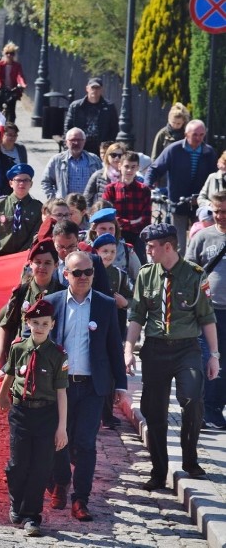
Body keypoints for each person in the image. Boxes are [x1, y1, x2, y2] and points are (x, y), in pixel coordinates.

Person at [125, 223, 219, 491]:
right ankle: (159, 471)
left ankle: (190, 460)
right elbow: (136, 316)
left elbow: (207, 317)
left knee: (192, 399)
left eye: (151, 246)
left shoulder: (194, 275)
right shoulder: (146, 274)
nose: (148, 251)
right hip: (155, 349)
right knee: (154, 412)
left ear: (168, 247)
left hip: (186, 348)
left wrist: (214, 355)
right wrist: (128, 349)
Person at [42, 251, 128, 521]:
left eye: (87, 272)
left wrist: (121, 386)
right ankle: (61, 482)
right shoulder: (51, 303)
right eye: (76, 272)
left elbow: (114, 347)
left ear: (94, 273)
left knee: (86, 443)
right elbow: (37, 341)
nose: (82, 277)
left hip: (92, 386)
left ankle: (81, 499)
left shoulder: (104, 304)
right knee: (59, 440)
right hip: (60, 386)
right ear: (65, 274)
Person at [0, 298, 68, 537]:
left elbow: (61, 392)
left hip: (46, 414)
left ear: (52, 325)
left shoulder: (58, 355)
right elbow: (9, 374)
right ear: (28, 322)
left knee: (40, 466)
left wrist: (62, 427)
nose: (39, 327)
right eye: (35, 322)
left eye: (44, 323)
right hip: (21, 412)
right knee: (18, 464)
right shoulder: (18, 348)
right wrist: (2, 396)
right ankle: (16, 504)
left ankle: (32, 516)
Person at [146, 120, 218, 255]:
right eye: (195, 135)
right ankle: (179, 273)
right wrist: (147, 187)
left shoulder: (209, 152)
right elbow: (155, 169)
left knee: (200, 241)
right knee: (179, 245)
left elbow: (215, 176)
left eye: (202, 135)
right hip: (178, 202)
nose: (198, 138)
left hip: (200, 204)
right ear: (186, 134)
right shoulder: (174, 149)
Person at [186, 191, 226, 430]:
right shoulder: (203, 237)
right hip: (208, 311)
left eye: (225, 212)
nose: (220, 216)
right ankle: (206, 409)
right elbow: (190, 270)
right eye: (216, 211)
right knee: (209, 359)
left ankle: (214, 408)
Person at [0, 240, 64, 369]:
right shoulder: (21, 292)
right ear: (30, 264)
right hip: (23, 357)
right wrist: (0, 355)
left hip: (51, 360)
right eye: (37, 262)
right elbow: (6, 325)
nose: (42, 266)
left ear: (56, 265)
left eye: (48, 263)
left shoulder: (63, 293)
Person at [92, 232, 133, 428]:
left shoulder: (119, 275)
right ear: (96, 252)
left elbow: (133, 299)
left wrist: (125, 303)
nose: (108, 255)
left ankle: (107, 414)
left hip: (114, 327)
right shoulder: (88, 271)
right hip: (94, 326)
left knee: (110, 371)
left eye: (112, 251)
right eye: (104, 251)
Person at [0, 164, 43, 259]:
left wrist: (23, 255)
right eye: (18, 180)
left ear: (31, 184)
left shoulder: (37, 208)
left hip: (25, 258)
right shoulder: (0, 204)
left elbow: (36, 236)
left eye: (26, 180)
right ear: (11, 183)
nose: (22, 184)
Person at [103, 151, 151, 262]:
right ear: (120, 166)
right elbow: (109, 216)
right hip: (116, 235)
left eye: (133, 167)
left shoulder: (144, 190)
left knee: (141, 267)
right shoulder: (110, 189)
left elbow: (146, 219)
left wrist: (123, 223)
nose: (129, 170)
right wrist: (131, 222)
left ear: (138, 168)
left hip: (137, 236)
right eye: (127, 166)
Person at [41, 127, 103, 199]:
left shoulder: (94, 159)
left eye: (79, 140)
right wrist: (54, 201)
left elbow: (102, 182)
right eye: (73, 140)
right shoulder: (57, 160)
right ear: (66, 142)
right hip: (65, 206)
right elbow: (45, 182)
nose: (76, 143)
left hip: (88, 206)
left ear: (84, 141)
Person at [64, 78, 119, 155]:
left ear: (101, 90)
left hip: (100, 147)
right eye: (93, 87)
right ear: (87, 88)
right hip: (80, 144)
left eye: (97, 88)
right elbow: (68, 127)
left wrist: (108, 146)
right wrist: (67, 146)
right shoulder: (76, 106)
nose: (95, 90)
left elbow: (114, 128)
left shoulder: (109, 107)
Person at [0, 43, 27, 123]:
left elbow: (20, 76)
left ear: (14, 55)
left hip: (12, 90)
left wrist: (22, 84)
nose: (9, 55)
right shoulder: (0, 64)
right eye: (7, 53)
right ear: (4, 53)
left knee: (12, 112)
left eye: (12, 53)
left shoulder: (17, 66)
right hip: (1, 89)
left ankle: (10, 127)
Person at [83, 142, 126, 207]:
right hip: (102, 213)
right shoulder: (98, 175)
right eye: (113, 155)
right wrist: (90, 213)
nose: (117, 158)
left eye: (120, 156)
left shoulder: (128, 175)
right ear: (107, 156)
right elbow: (87, 198)